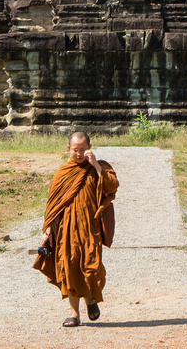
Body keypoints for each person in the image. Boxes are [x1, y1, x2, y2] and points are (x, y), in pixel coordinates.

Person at [34, 130, 119, 327]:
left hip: (90, 229)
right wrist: (47, 230)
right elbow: (53, 204)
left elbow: (111, 187)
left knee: (91, 267)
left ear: (89, 148)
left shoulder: (99, 168)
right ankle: (74, 314)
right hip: (66, 231)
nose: (79, 154)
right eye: (75, 150)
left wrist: (96, 165)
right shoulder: (62, 173)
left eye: (82, 150)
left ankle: (90, 300)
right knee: (68, 269)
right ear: (68, 149)